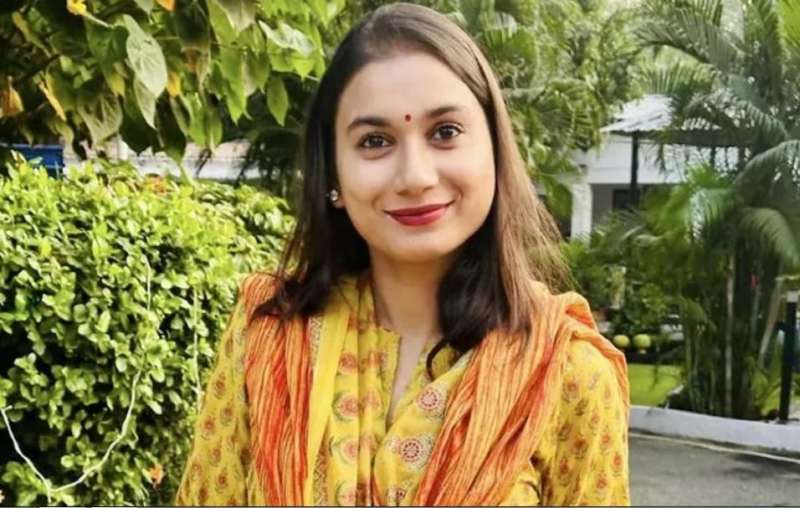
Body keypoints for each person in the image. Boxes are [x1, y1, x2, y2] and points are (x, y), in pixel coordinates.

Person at [174, 2, 630, 506]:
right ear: (334, 176)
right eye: (375, 141)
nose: (415, 176)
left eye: (445, 133)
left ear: (495, 151)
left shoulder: (566, 373)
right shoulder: (269, 335)